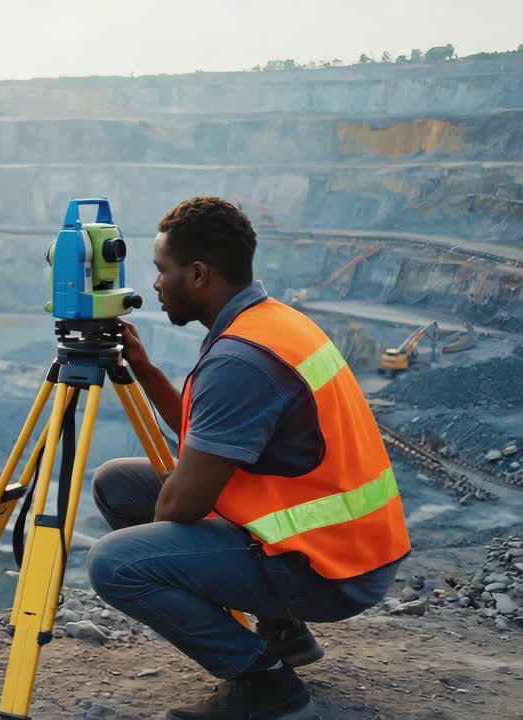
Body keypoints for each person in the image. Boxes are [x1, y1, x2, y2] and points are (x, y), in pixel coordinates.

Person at [86, 196, 410, 720]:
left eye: (161, 270)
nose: (154, 285)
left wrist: (173, 525)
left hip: (331, 570)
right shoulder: (271, 324)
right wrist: (142, 369)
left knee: (116, 564)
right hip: (347, 542)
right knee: (118, 484)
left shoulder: (241, 361)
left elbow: (179, 508)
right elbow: (208, 435)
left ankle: (266, 686)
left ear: (197, 274)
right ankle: (283, 633)